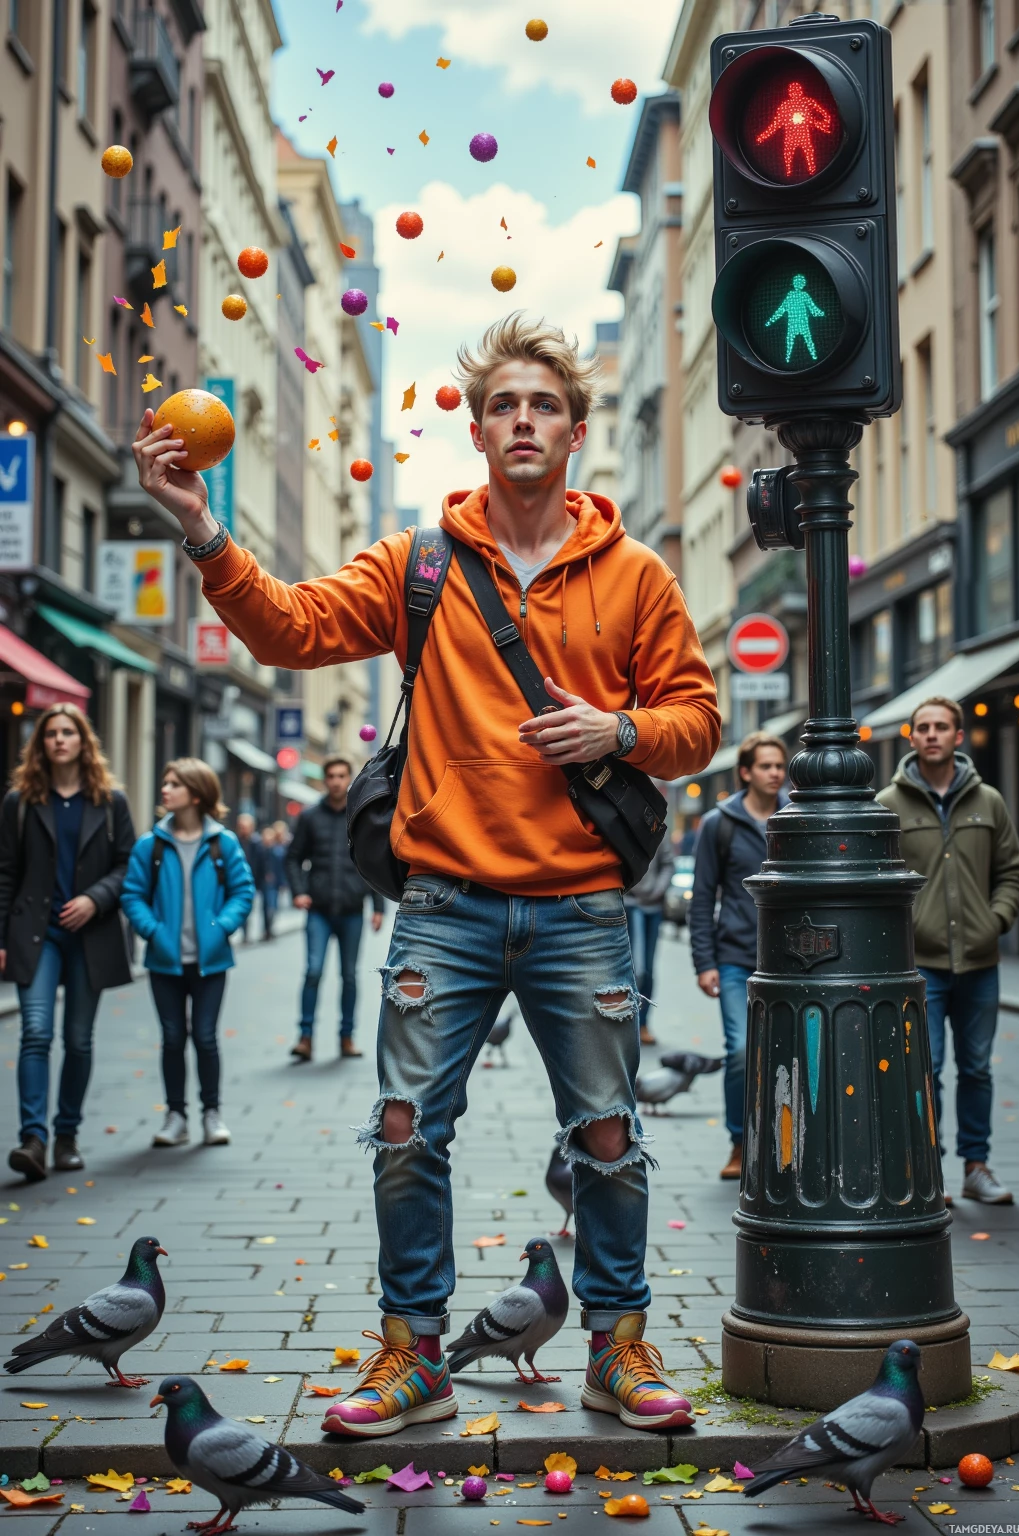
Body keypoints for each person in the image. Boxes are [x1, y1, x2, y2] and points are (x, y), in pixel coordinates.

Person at [131, 312, 719, 1438]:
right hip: (443, 903)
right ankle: (415, 1359)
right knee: (406, 1131)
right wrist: (203, 530)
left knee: (607, 1134)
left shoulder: (635, 574)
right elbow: (294, 631)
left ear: (577, 429)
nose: (523, 420)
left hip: (581, 904)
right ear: (478, 427)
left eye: (543, 404)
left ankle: (617, 1348)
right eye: (503, 404)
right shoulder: (423, 563)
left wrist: (619, 731)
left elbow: (696, 721)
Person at [877, 697, 1019, 1205]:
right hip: (920, 967)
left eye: (943, 727)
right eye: (924, 727)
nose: (933, 734)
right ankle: (929, 1169)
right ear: (911, 736)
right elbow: (878, 883)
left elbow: (1011, 871)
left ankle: (977, 1166)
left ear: (959, 736)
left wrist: (996, 921)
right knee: (926, 1068)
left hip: (980, 963)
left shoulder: (989, 801)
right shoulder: (888, 804)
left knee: (978, 1068)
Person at [0, 704, 136, 1180]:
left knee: (78, 1040)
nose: (59, 739)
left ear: (83, 742)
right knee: (36, 1032)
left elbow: (127, 867)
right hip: (35, 934)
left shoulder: (110, 801)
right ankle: (32, 1139)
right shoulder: (20, 802)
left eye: (68, 732)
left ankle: (67, 1136)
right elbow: (5, 874)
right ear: (41, 745)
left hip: (89, 934)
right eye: (51, 733)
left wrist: (94, 900)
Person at [122, 758, 254, 1149]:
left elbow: (243, 892)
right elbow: (132, 894)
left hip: (210, 960)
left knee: (206, 1037)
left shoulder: (222, 843)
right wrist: (154, 931)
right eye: (165, 782)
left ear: (195, 793)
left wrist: (220, 927)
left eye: (173, 783)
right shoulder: (151, 845)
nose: (165, 789)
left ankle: (211, 1114)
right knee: (172, 1037)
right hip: (165, 960)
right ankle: (176, 1116)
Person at [689, 733, 788, 1180]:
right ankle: (738, 1143)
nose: (775, 773)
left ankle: (786, 1147)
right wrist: (703, 962)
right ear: (745, 772)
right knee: (740, 1051)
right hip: (734, 959)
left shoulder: (795, 817)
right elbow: (702, 897)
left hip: (789, 960)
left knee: (789, 1056)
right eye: (766, 766)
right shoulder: (719, 823)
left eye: (779, 766)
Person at [284, 757, 385, 1061]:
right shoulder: (310, 817)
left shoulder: (359, 816)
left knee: (349, 976)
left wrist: (377, 905)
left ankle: (346, 1038)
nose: (336, 781)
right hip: (319, 909)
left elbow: (371, 860)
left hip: (353, 910)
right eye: (331, 776)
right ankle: (305, 1037)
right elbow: (293, 858)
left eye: (342, 776)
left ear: (349, 779)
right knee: (313, 972)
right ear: (325, 780)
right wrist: (299, 892)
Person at [624, 835, 675, 1046]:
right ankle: (626, 1023)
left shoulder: (658, 827)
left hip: (652, 908)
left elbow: (668, 864)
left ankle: (643, 1024)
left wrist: (658, 889)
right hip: (629, 903)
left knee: (648, 970)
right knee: (636, 969)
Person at [235, 813, 265, 942]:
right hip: (236, 880)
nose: (243, 829)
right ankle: (243, 931)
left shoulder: (257, 843)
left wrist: (260, 882)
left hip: (252, 880)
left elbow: (262, 864)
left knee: (248, 908)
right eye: (241, 827)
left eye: (245, 827)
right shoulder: (234, 842)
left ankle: (247, 932)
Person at [260, 823, 286, 939]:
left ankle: (269, 928)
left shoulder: (279, 849)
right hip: (267, 882)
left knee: (273, 905)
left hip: (275, 882)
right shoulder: (266, 850)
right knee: (267, 905)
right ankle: (267, 929)